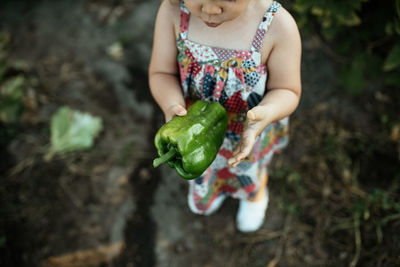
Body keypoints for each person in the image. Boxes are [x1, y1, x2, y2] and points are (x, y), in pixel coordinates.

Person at [148, 0, 301, 232]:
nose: (209, 10)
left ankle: (254, 196)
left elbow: (287, 90)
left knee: (248, 170)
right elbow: (161, 72)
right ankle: (213, 191)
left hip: (248, 133)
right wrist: (172, 105)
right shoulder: (173, 12)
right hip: (196, 131)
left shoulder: (277, 26)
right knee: (204, 167)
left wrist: (266, 112)